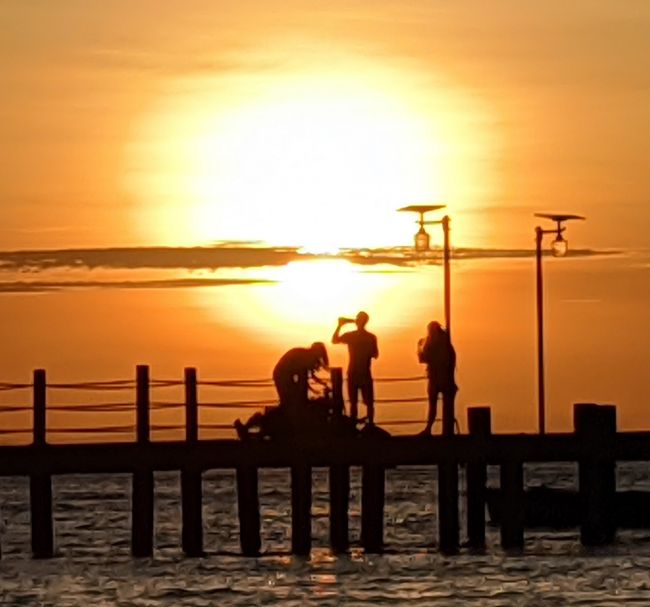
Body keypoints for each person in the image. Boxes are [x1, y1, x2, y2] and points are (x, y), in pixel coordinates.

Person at [235, 342, 329, 439]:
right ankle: (253, 425)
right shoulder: (305, 357)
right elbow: (303, 381)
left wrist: (320, 385)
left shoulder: (305, 355)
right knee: (287, 405)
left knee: (288, 405)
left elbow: (305, 379)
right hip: (282, 375)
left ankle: (252, 426)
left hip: (284, 375)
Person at [332, 311, 379, 424]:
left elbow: (334, 340)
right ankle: (370, 425)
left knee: (355, 402)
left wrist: (340, 325)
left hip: (355, 372)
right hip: (361, 373)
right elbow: (375, 354)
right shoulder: (370, 337)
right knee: (368, 403)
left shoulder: (352, 336)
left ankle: (357, 425)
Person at [417, 321, 457, 436]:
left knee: (433, 405)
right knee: (445, 406)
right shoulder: (446, 343)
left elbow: (423, 359)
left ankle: (429, 429)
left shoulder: (433, 343)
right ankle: (445, 431)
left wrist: (419, 347)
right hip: (446, 379)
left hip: (436, 379)